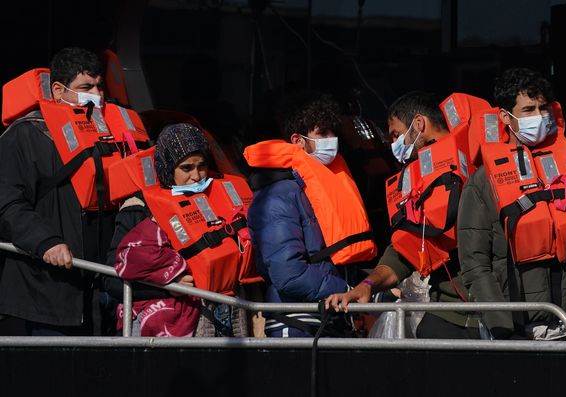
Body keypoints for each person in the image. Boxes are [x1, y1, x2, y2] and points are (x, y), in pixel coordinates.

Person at [0, 47, 149, 336]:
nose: (98, 94)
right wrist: (45, 242)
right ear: (58, 90)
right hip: (46, 291)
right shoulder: (25, 136)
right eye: (86, 87)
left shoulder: (111, 132)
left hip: (101, 289)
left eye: (99, 86)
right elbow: (7, 202)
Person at [325, 91, 489, 339]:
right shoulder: (418, 181)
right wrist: (367, 285)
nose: (394, 145)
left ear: (419, 124)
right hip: (446, 313)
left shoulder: (484, 166)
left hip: (496, 312)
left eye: (396, 135)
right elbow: (403, 249)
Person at [458, 67, 566, 340]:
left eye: (543, 109)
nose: (539, 117)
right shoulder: (482, 182)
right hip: (517, 328)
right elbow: (475, 264)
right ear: (505, 117)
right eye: (528, 110)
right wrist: (502, 329)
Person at [244, 92, 376, 338]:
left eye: (333, 133)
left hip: (333, 317)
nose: (331, 140)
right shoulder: (278, 197)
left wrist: (367, 285)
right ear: (298, 141)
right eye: (322, 134)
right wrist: (348, 289)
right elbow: (288, 274)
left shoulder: (330, 184)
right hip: (297, 322)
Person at [107, 123, 256, 336]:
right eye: (186, 168)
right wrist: (168, 286)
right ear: (167, 167)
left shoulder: (220, 197)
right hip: (173, 321)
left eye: (201, 166)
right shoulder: (139, 209)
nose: (196, 176)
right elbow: (111, 280)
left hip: (230, 312)